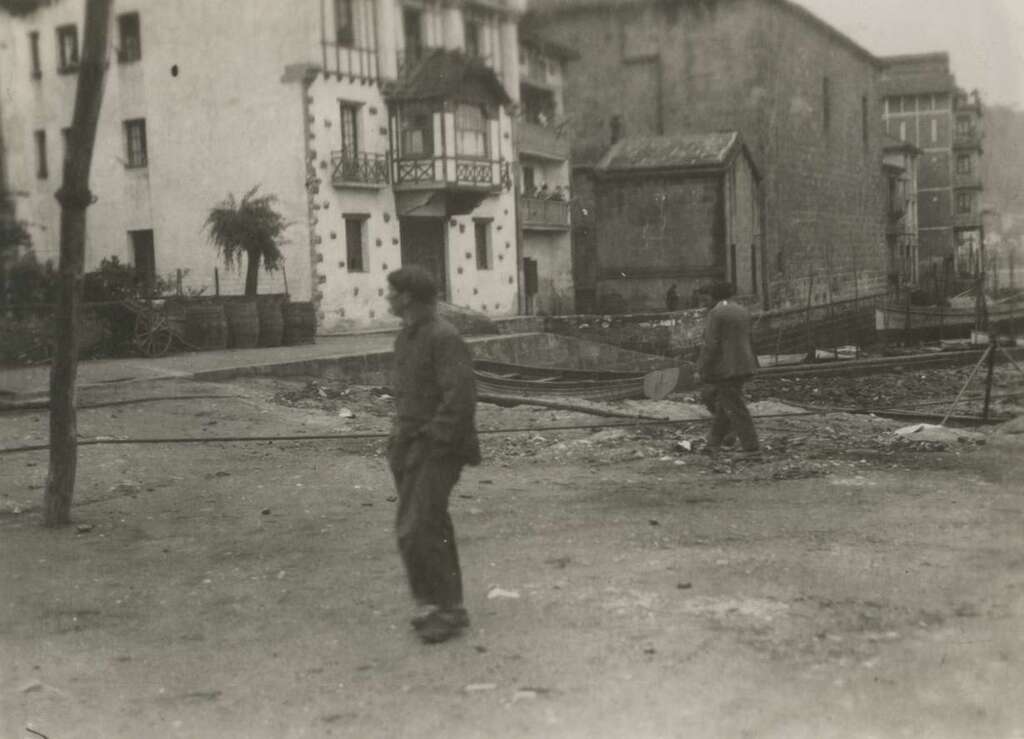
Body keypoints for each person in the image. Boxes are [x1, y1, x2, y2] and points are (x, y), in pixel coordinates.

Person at [385, 266, 481, 644]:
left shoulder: (444, 337)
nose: (387, 298)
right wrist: (400, 439)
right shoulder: (407, 337)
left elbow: (460, 400)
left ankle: (446, 609)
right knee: (429, 524)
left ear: (407, 296)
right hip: (409, 445)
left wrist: (431, 442)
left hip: (439, 448)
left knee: (417, 527)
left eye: (391, 292)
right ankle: (438, 604)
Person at [696, 281, 760, 456]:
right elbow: (749, 339)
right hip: (744, 364)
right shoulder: (742, 310)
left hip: (725, 368)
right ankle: (714, 443)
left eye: (706, 299)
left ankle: (751, 446)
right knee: (726, 404)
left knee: (735, 406)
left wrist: (701, 368)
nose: (704, 303)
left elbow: (710, 345)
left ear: (714, 296)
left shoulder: (716, 313)